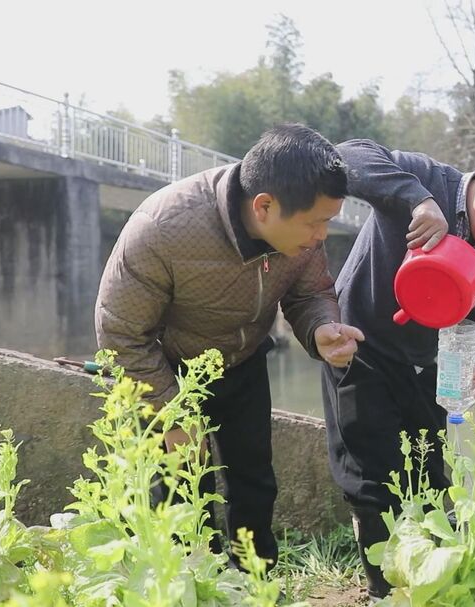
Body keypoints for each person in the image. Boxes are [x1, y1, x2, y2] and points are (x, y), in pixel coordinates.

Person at [95, 124, 365, 568]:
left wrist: (320, 328)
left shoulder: (300, 235)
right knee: (181, 490)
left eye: (328, 221)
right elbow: (120, 335)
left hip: (243, 360)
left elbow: (310, 292)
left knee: (254, 481)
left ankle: (255, 581)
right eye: (315, 222)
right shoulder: (162, 226)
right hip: (169, 371)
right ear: (264, 207)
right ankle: (190, 585)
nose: (322, 235)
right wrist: (171, 415)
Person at [322, 139, 475, 598]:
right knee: (372, 478)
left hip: (427, 363)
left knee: (432, 475)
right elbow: (345, 155)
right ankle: (384, 592)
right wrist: (419, 202)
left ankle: (433, 583)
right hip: (360, 346)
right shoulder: (427, 179)